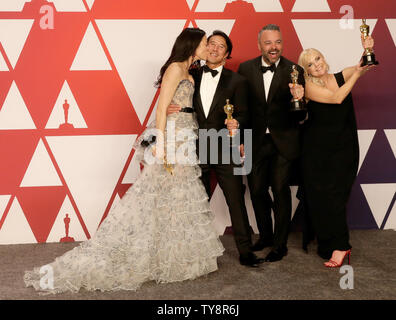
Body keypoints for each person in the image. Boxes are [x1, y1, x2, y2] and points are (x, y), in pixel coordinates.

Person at [24, 28, 224, 294]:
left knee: (178, 199)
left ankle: (175, 257)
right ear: (191, 44)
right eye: (203, 43)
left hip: (188, 134)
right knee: (162, 195)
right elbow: (162, 107)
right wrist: (160, 143)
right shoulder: (176, 68)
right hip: (174, 137)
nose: (206, 47)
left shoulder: (191, 70)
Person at [167, 30, 263, 268]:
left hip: (224, 148)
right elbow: (177, 99)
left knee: (235, 200)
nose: (214, 48)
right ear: (204, 47)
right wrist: (170, 107)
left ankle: (245, 252)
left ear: (227, 54)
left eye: (221, 46)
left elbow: (244, 113)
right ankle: (192, 250)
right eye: (211, 44)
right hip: (194, 146)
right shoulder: (190, 75)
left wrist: (236, 123)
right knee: (196, 200)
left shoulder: (237, 81)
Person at [297, 36, 375, 267]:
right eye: (310, 64)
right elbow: (336, 97)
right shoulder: (309, 87)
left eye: (318, 58)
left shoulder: (339, 76)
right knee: (322, 199)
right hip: (316, 152)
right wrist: (357, 77)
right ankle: (335, 245)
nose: (316, 64)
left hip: (344, 149)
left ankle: (340, 245)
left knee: (337, 198)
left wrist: (368, 48)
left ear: (324, 59)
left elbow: (364, 64)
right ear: (306, 70)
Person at [238, 24, 305, 262]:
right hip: (255, 141)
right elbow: (241, 108)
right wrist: (240, 139)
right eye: (268, 43)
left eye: (277, 42)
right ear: (259, 45)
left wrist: (300, 100)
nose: (273, 47)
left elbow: (300, 116)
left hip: (284, 142)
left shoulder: (294, 69)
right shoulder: (245, 69)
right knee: (256, 190)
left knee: (279, 190)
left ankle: (280, 244)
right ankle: (265, 235)